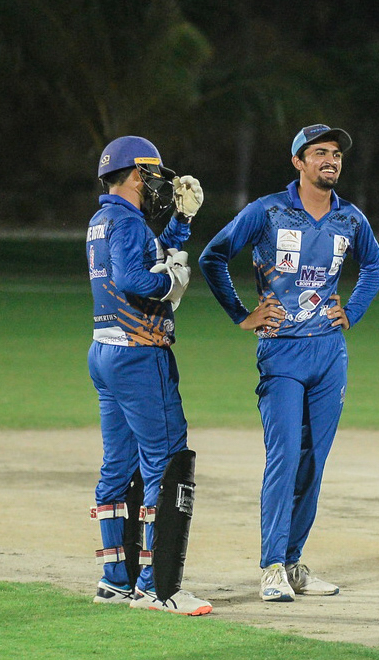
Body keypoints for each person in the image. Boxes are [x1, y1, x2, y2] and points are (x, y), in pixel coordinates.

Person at [198, 123, 379, 603]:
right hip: (282, 351)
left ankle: (294, 561)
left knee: (313, 464)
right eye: (319, 152)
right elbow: (212, 257)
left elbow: (376, 265)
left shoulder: (350, 218)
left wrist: (353, 310)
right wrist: (243, 314)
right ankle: (271, 567)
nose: (331, 160)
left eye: (336, 154)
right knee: (283, 459)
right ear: (298, 162)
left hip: (329, 354)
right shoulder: (267, 211)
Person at [86, 135, 212, 616]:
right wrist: (171, 282)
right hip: (140, 355)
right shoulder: (127, 221)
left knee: (118, 466)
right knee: (167, 462)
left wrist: (182, 223)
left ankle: (115, 580)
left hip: (105, 350)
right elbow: (135, 277)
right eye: (154, 174)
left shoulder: (103, 219)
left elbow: (151, 251)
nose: (159, 183)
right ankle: (160, 588)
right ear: (137, 174)